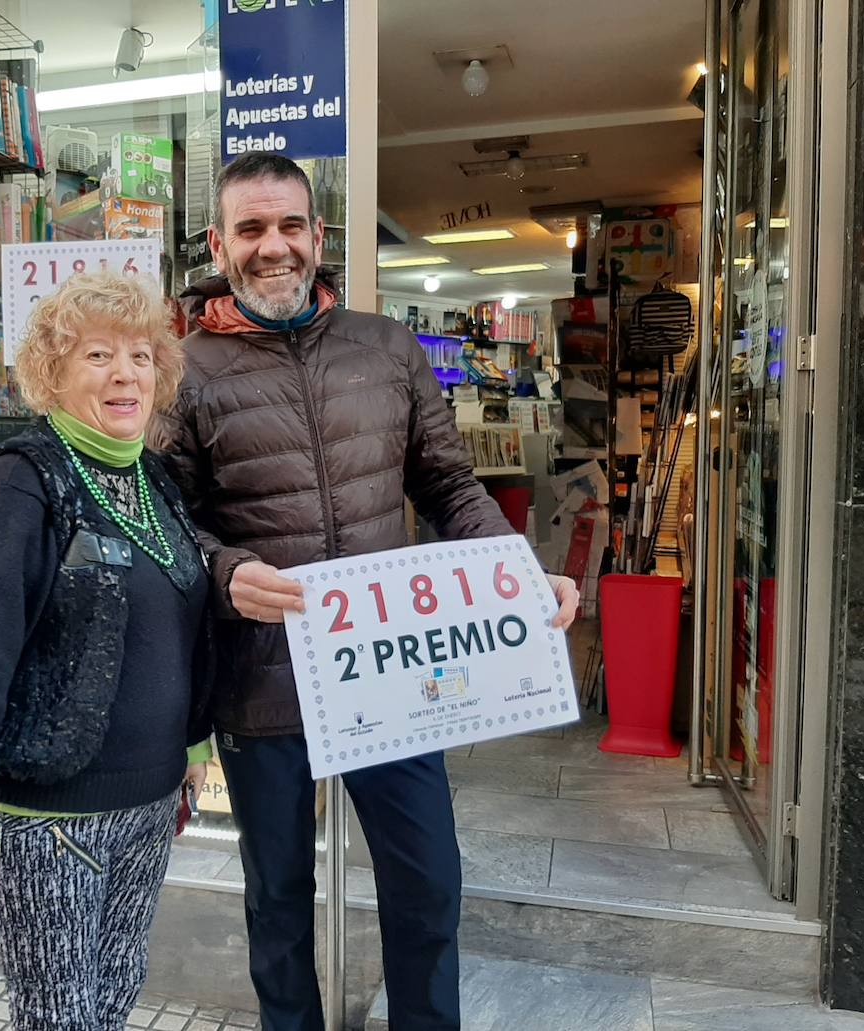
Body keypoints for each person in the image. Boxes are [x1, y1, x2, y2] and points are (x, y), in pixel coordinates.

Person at [162, 153, 580, 1031]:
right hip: (262, 677)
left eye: (288, 227)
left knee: (428, 884)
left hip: (392, 677)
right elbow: (164, 520)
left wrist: (515, 576)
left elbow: (452, 488)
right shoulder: (184, 371)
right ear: (219, 243)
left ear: (319, 236)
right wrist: (227, 571)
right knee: (277, 899)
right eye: (249, 229)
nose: (271, 247)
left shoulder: (386, 349)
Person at [0, 271, 214, 1031]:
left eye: (142, 356)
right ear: (52, 373)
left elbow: (186, 625)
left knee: (112, 1001)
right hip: (50, 822)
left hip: (149, 806)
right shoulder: (20, 483)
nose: (126, 374)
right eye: (98, 356)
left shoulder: (155, 482)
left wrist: (194, 738)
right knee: (60, 1020)